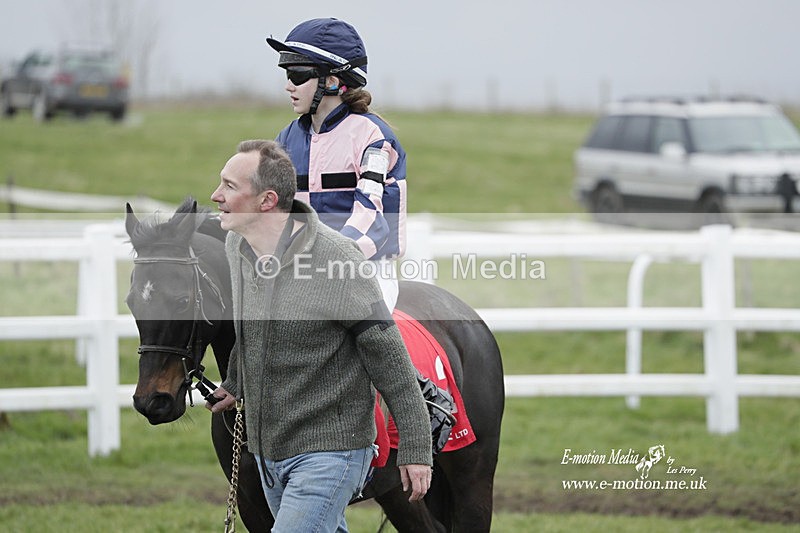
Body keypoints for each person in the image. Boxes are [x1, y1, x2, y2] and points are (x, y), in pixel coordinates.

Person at [207, 139, 432, 533]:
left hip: (333, 452)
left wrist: (415, 446)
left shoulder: (337, 258)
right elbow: (251, 327)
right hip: (270, 454)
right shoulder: (236, 247)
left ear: (266, 201)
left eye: (229, 186)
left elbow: (389, 357)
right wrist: (235, 381)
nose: (216, 195)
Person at [266, 18, 406, 311]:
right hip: (300, 270)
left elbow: (370, 215)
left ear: (331, 81)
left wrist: (325, 261)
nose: (288, 85)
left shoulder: (374, 137)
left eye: (297, 74)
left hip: (365, 269)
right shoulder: (287, 138)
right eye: (287, 74)